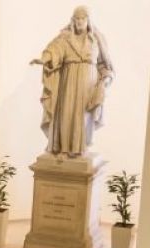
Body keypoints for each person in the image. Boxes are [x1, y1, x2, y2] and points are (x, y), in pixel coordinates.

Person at [30, 6, 114, 158]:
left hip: (88, 85)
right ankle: (63, 148)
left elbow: (105, 65)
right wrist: (43, 60)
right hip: (68, 83)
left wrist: (106, 80)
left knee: (83, 117)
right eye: (77, 18)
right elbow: (53, 50)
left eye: (83, 18)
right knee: (66, 114)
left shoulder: (96, 39)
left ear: (88, 20)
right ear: (73, 21)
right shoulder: (65, 38)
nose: (80, 21)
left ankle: (78, 148)